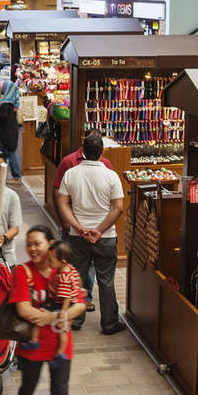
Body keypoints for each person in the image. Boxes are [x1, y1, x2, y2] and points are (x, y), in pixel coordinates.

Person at [10, 225, 86, 395]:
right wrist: (57, 317)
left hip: (59, 346)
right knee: (28, 386)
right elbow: (23, 309)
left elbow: (79, 306)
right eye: (29, 243)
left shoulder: (67, 271)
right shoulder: (23, 272)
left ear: (51, 244)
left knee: (60, 394)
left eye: (37, 243)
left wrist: (48, 317)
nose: (32, 248)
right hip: (32, 346)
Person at [57, 132, 126, 335]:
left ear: (83, 151)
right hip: (105, 237)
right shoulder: (111, 175)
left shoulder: (72, 173)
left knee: (75, 276)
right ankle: (110, 323)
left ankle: (75, 319)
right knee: (106, 280)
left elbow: (62, 202)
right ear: (102, 151)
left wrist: (78, 227)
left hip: (77, 237)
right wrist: (99, 230)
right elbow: (118, 207)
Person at [0, 100, 22, 182]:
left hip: (7, 136)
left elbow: (2, 117)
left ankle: (16, 176)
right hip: (9, 135)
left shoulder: (5, 106)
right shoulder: (11, 106)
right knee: (4, 155)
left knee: (11, 155)